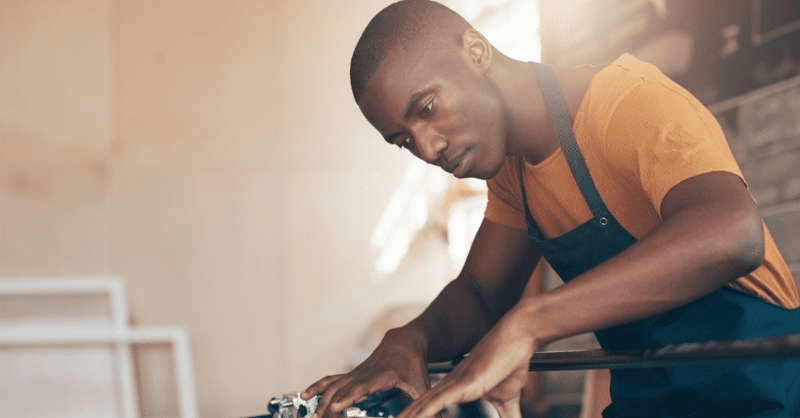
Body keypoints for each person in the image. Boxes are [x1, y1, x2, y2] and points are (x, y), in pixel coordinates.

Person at [302, 1, 800, 417]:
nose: (428, 149)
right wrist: (410, 338)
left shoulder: (624, 102)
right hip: (652, 401)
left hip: (763, 390)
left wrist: (529, 324)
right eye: (404, 141)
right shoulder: (513, 174)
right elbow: (480, 292)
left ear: (476, 51)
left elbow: (731, 232)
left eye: (427, 109)